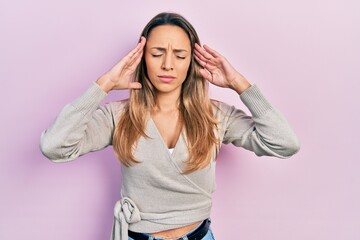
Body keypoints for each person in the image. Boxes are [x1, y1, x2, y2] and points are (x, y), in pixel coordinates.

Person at [40, 12, 300, 240]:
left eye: (179, 55)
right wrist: (103, 85)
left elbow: (285, 144)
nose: (167, 64)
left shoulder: (216, 116)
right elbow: (54, 146)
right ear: (142, 58)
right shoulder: (117, 116)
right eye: (157, 53)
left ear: (192, 61)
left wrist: (238, 83)